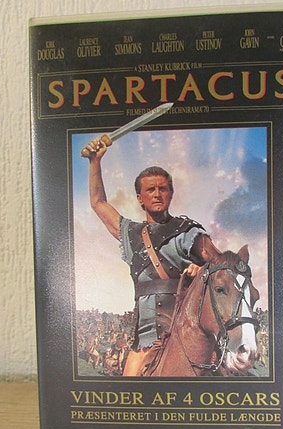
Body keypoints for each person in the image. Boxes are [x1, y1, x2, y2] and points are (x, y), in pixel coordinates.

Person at [84, 137, 222, 376]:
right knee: (129, 393)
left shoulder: (187, 231)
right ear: (140, 198)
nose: (157, 194)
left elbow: (224, 266)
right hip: (144, 339)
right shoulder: (130, 233)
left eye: (163, 189)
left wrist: (202, 271)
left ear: (171, 194)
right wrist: (95, 162)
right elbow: (98, 203)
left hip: (185, 336)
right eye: (150, 190)